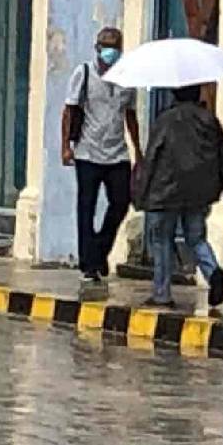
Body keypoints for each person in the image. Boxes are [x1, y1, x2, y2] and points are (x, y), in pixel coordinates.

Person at [134, 84, 223, 308]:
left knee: (162, 240)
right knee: (196, 238)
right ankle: (213, 272)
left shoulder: (165, 120)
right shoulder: (209, 121)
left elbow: (151, 157)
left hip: (165, 191)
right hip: (198, 192)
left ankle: (162, 294)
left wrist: (141, 193)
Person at [61, 27, 143, 283]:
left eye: (115, 46)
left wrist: (138, 150)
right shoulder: (83, 74)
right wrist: (66, 146)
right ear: (97, 48)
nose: (111, 51)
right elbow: (70, 110)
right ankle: (89, 263)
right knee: (86, 207)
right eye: (107, 46)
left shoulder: (127, 79)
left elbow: (130, 114)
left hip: (117, 153)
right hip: (88, 151)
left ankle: (99, 251)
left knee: (121, 201)